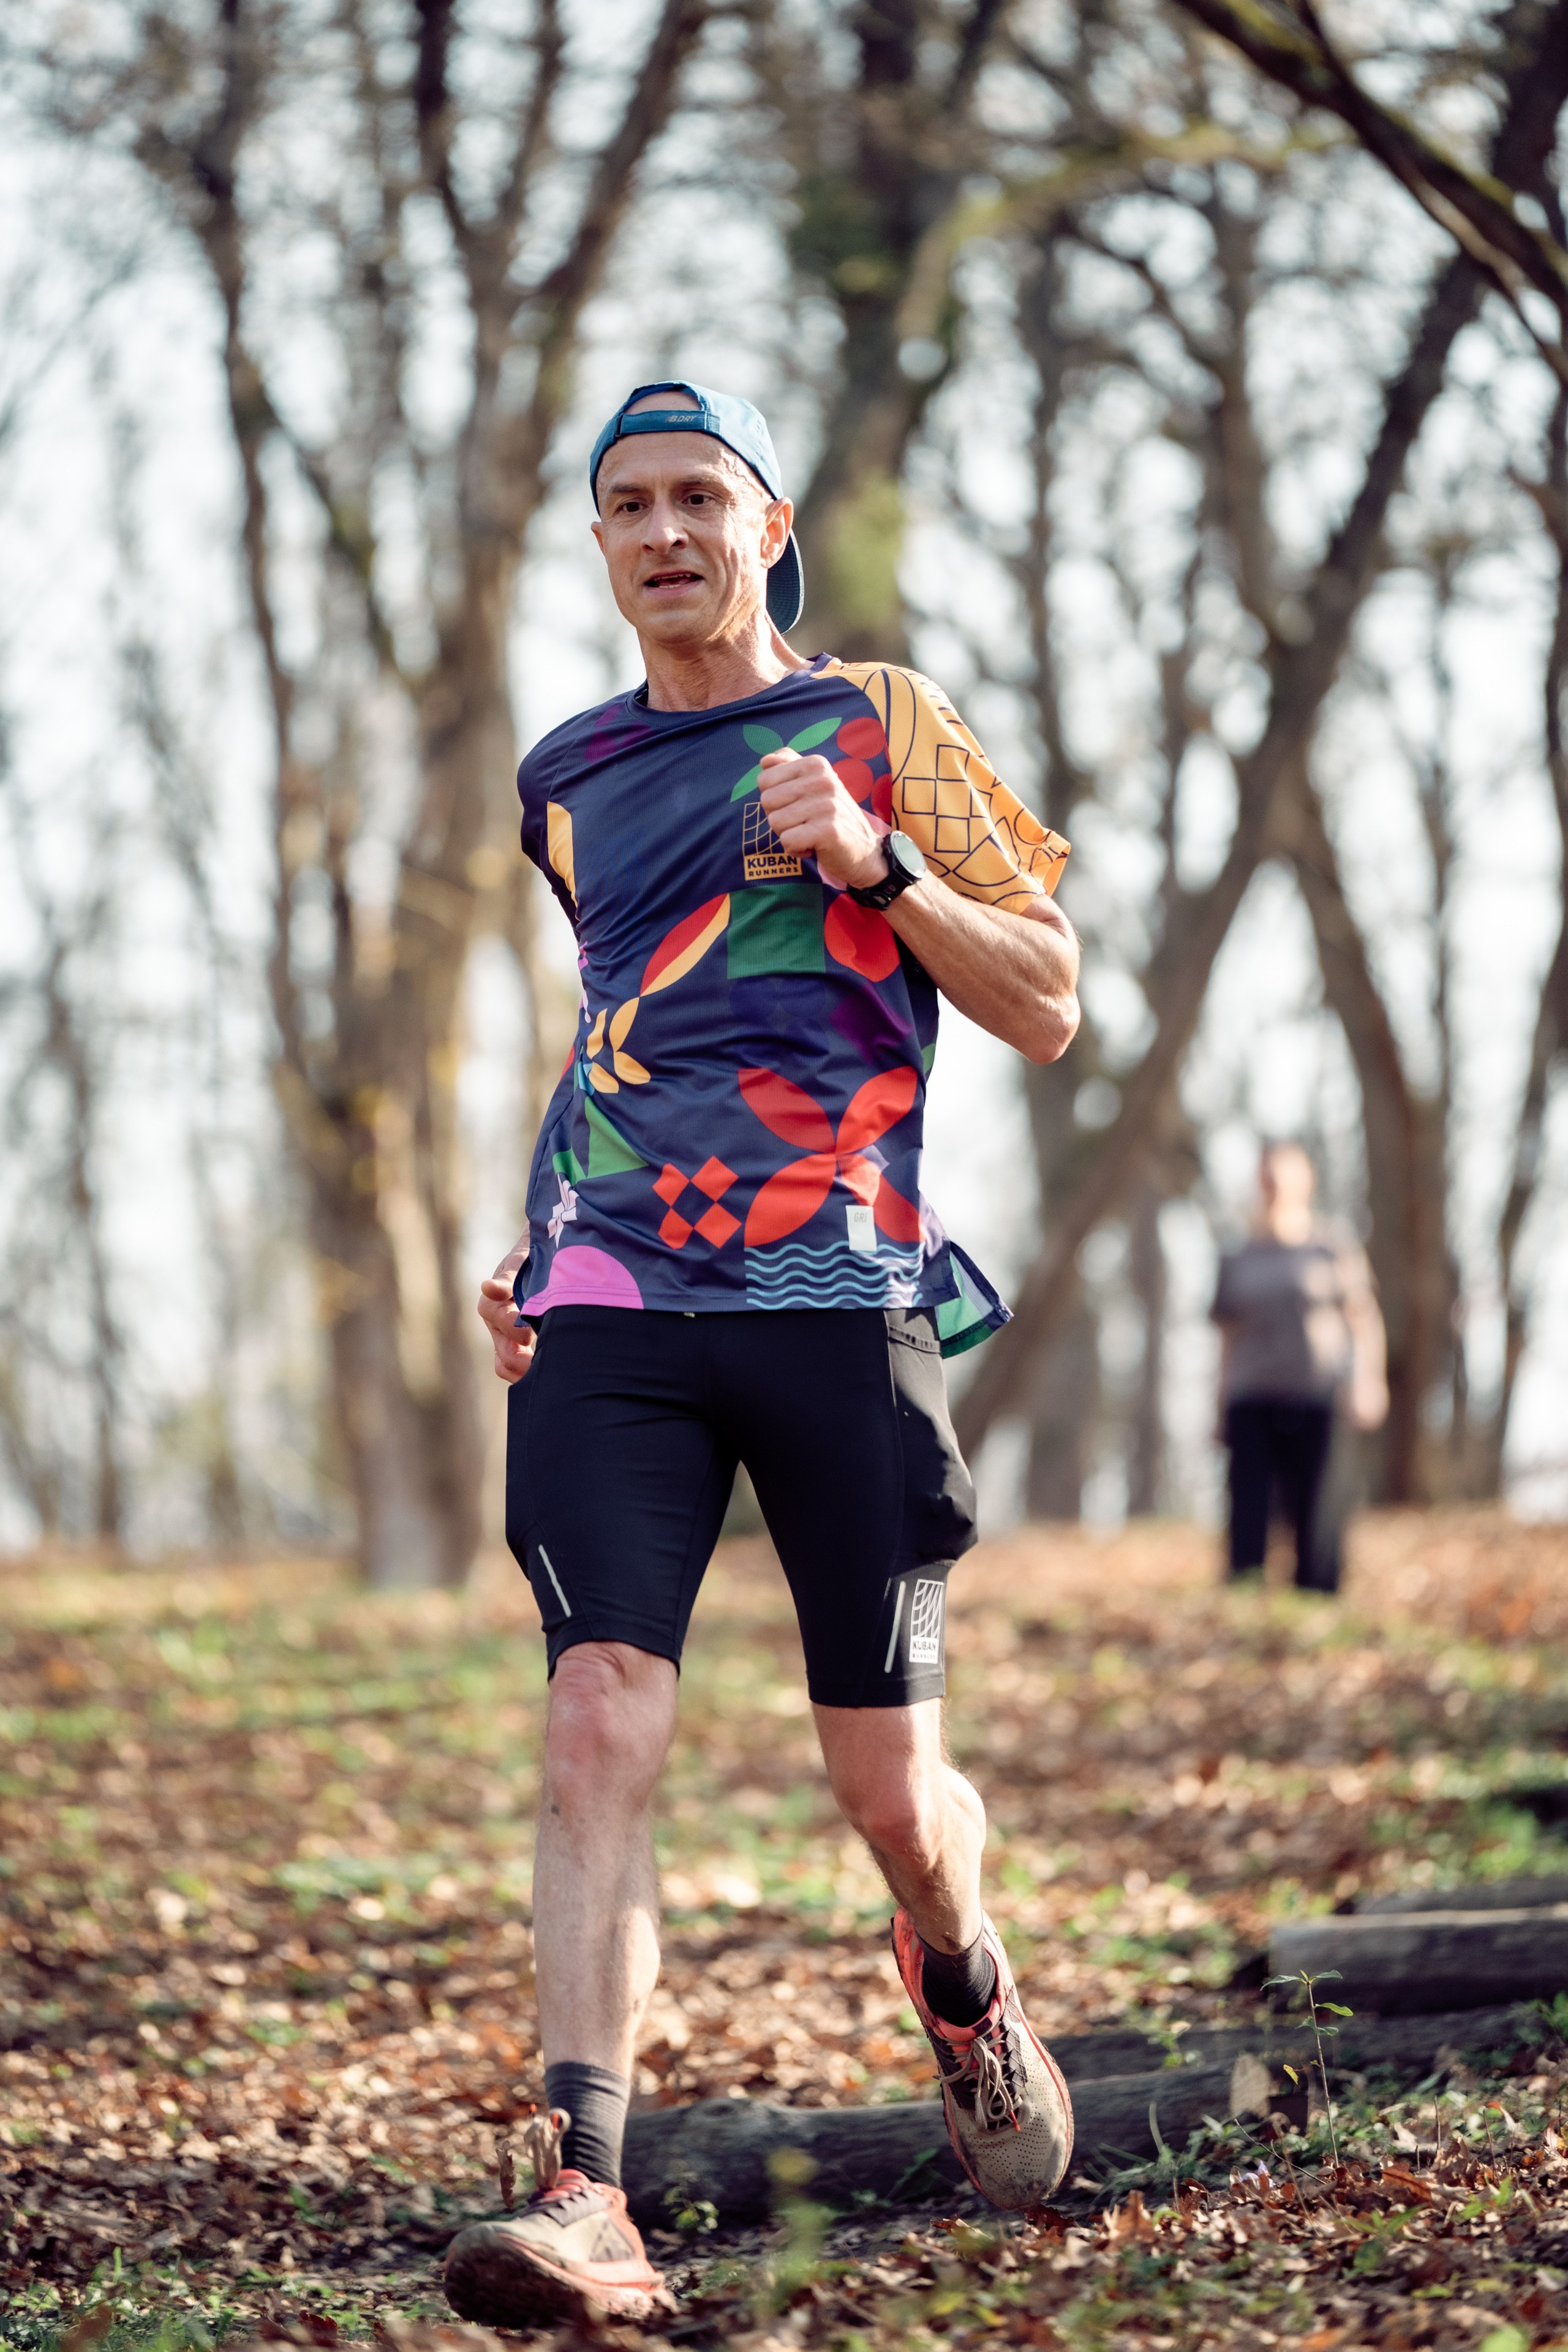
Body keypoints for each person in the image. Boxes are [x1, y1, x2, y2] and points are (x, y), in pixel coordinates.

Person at [443, 382, 1082, 2328]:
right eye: (628, 505)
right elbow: (621, 1025)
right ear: (599, 541)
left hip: (839, 1286)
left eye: (698, 499)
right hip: (615, 1293)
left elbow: (1050, 998)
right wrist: (538, 1230)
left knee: (891, 1792)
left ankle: (962, 1980)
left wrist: (880, 865)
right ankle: (587, 2191)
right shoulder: (565, 774)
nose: (664, 532)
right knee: (595, 1712)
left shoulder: (884, 717)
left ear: (767, 523)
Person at [1211, 1140, 1388, 1594]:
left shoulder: (1331, 1248)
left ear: (1305, 1182)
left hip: (1316, 1392)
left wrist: (1369, 1381)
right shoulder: (1237, 1255)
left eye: (1281, 1177)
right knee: (1248, 1509)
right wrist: (1218, 1402)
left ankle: (1317, 1599)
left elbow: (1363, 1320)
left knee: (1318, 1511)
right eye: (1265, 1178)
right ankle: (1244, 1595)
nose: (1272, 1186)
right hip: (1251, 1395)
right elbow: (1226, 1337)